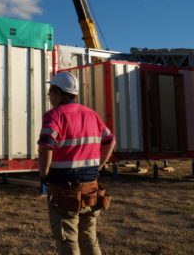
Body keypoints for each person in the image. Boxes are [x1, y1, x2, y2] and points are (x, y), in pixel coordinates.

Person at [38, 72, 116, 255]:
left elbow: (46, 147)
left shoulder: (54, 116)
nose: (49, 95)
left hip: (64, 191)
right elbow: (111, 141)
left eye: (50, 91)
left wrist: (44, 174)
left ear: (59, 93)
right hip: (91, 189)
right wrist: (99, 166)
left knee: (67, 241)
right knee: (89, 237)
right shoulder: (91, 114)